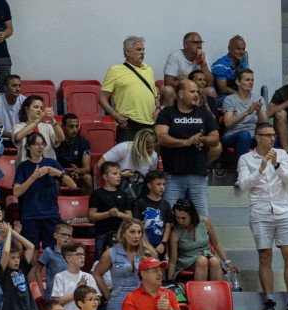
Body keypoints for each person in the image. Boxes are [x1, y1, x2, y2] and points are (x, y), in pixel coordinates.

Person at [238, 123, 288, 310]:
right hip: (260, 211)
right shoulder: (246, 159)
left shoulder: (281, 155)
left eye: (273, 135)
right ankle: (269, 300)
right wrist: (261, 169)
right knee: (265, 255)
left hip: (284, 210)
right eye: (267, 135)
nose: (272, 138)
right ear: (257, 137)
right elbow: (243, 186)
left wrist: (275, 165)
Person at [156, 77, 221, 219]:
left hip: (198, 174)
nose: (197, 95)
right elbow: (161, 137)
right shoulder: (167, 113)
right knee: (170, 219)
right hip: (173, 175)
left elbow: (215, 139)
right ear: (180, 94)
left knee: (202, 219)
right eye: (192, 92)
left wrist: (202, 139)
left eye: (197, 92)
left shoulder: (204, 113)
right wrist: (186, 142)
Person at [13, 131, 68, 248]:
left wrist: (59, 173)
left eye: (42, 144)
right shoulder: (22, 167)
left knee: (52, 253)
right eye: (37, 144)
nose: (40, 147)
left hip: (51, 215)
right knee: (31, 254)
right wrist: (34, 176)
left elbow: (72, 185)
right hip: (30, 216)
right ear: (28, 146)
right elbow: (16, 192)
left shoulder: (52, 163)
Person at [100, 36, 158, 144]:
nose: (142, 52)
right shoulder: (115, 70)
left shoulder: (149, 69)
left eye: (143, 49)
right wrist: (115, 115)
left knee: (150, 160)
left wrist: (158, 108)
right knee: (128, 159)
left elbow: (155, 95)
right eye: (138, 49)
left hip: (150, 124)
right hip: (128, 124)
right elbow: (102, 97)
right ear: (127, 52)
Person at [166, 197, 230, 283]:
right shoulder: (175, 233)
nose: (180, 221)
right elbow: (173, 261)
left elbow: (216, 243)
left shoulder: (205, 221)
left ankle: (217, 294)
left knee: (215, 261)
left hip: (206, 255)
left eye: (183, 218)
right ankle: (200, 294)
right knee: (202, 261)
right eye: (177, 218)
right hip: (186, 260)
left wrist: (227, 262)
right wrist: (170, 282)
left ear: (191, 215)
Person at [220, 68, 265, 165]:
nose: (251, 83)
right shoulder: (230, 99)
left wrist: (259, 111)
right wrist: (247, 112)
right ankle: (242, 172)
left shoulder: (258, 98)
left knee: (270, 136)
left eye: (252, 80)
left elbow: (264, 124)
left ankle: (271, 172)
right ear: (238, 82)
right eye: (247, 80)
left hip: (253, 136)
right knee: (244, 135)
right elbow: (227, 123)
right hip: (232, 136)